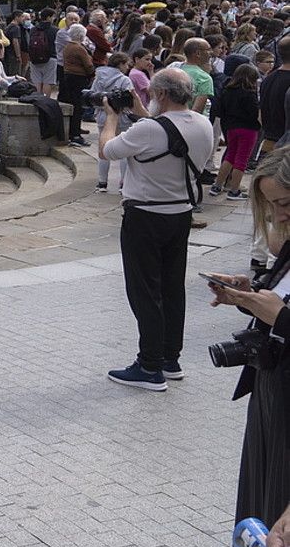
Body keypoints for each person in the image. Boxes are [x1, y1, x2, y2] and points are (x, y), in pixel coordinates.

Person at [100, 67, 214, 390]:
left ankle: (149, 366)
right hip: (180, 214)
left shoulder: (149, 130)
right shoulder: (202, 123)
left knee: (145, 291)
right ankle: (169, 358)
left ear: (161, 95)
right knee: (171, 287)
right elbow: (162, 136)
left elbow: (106, 150)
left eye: (152, 93)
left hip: (145, 216)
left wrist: (111, 117)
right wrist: (140, 110)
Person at [206, 151, 290, 541]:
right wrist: (249, 296)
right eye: (271, 206)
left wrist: (282, 318)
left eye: (284, 203)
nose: (279, 215)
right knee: (260, 502)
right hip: (271, 391)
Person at [211, 63, 262, 200]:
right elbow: (254, 114)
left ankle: (217, 185)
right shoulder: (249, 94)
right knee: (242, 159)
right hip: (248, 129)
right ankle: (234, 190)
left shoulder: (227, 90)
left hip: (230, 128)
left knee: (230, 156)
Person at [91, 52, 136, 193]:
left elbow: (92, 95)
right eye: (126, 65)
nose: (127, 68)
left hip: (103, 115)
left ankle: (102, 182)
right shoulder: (124, 80)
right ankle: (123, 183)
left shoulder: (99, 76)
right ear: (121, 64)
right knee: (124, 150)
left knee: (103, 149)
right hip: (121, 116)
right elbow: (130, 101)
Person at [59, 24, 95, 146]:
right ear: (81, 35)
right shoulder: (79, 48)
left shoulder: (67, 47)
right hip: (78, 77)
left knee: (73, 104)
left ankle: (74, 130)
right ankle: (75, 134)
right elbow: (88, 65)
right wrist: (92, 74)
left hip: (69, 76)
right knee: (77, 106)